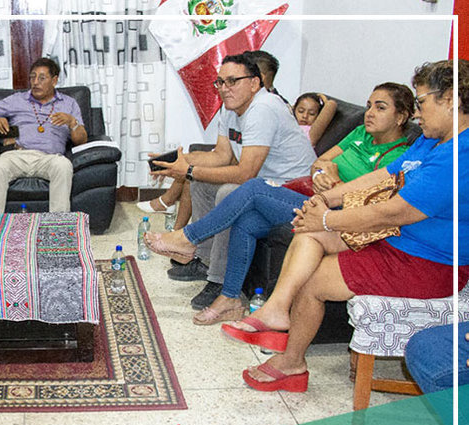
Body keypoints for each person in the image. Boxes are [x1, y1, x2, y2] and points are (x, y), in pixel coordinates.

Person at [222, 59, 469, 393]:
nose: (417, 112)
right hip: (396, 240)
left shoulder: (459, 156)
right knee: (309, 232)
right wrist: (326, 199)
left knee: (314, 281)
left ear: (450, 99)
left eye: (422, 102)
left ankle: (292, 362)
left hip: (428, 263)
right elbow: (384, 176)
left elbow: (394, 212)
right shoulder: (432, 140)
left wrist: (327, 218)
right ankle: (276, 309)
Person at [146, 83, 414, 324]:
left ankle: (189, 238)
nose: (369, 113)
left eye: (380, 108)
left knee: (253, 188)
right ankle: (229, 298)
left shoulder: (401, 156)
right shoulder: (360, 133)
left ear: (401, 117)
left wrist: (334, 183)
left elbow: (367, 201)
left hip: (337, 215)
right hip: (314, 198)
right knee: (247, 221)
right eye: (369, 106)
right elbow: (319, 162)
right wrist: (323, 173)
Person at [149, 52, 317, 311]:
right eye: (220, 82)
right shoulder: (230, 109)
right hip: (263, 184)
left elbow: (245, 173)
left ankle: (218, 280)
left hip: (292, 190)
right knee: (201, 184)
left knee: (227, 191)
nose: (224, 88)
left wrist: (189, 169)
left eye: (232, 81)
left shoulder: (264, 109)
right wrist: (175, 162)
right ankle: (203, 261)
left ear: (254, 83)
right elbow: (221, 156)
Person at [0, 57, 88, 214]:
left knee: (63, 166)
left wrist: (72, 122)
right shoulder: (17, 99)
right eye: (32, 77)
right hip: (17, 154)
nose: (35, 82)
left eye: (41, 78)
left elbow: (82, 140)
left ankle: (58, 223)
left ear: (54, 80)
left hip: (50, 158)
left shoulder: (69, 103)